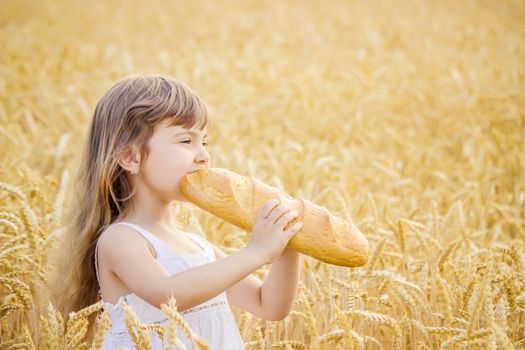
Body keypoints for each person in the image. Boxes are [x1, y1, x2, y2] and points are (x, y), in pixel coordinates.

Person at [47, 74, 303, 349]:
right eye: (185, 141)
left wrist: (289, 243)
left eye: (204, 142)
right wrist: (257, 252)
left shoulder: (198, 247)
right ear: (131, 157)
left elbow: (269, 305)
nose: (204, 155)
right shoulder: (120, 239)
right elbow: (169, 296)